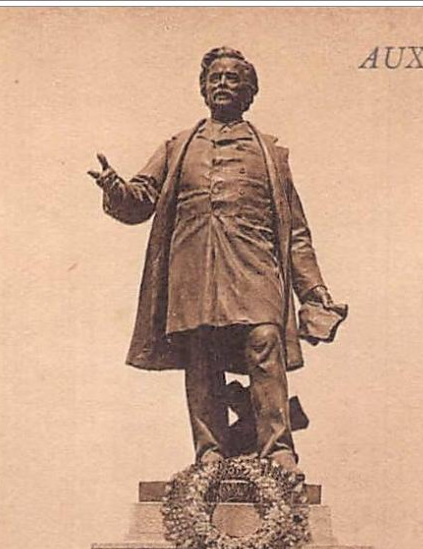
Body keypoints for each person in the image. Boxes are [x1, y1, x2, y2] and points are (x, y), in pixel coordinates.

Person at [91, 47, 341, 479]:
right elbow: (140, 199)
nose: (222, 84)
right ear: (204, 89)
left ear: (249, 93)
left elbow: (296, 232)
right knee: (201, 352)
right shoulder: (176, 147)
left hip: (254, 263)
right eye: (215, 78)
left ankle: (278, 450)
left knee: (265, 340)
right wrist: (116, 190)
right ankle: (210, 452)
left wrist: (315, 292)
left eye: (233, 79)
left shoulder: (271, 156)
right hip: (194, 269)